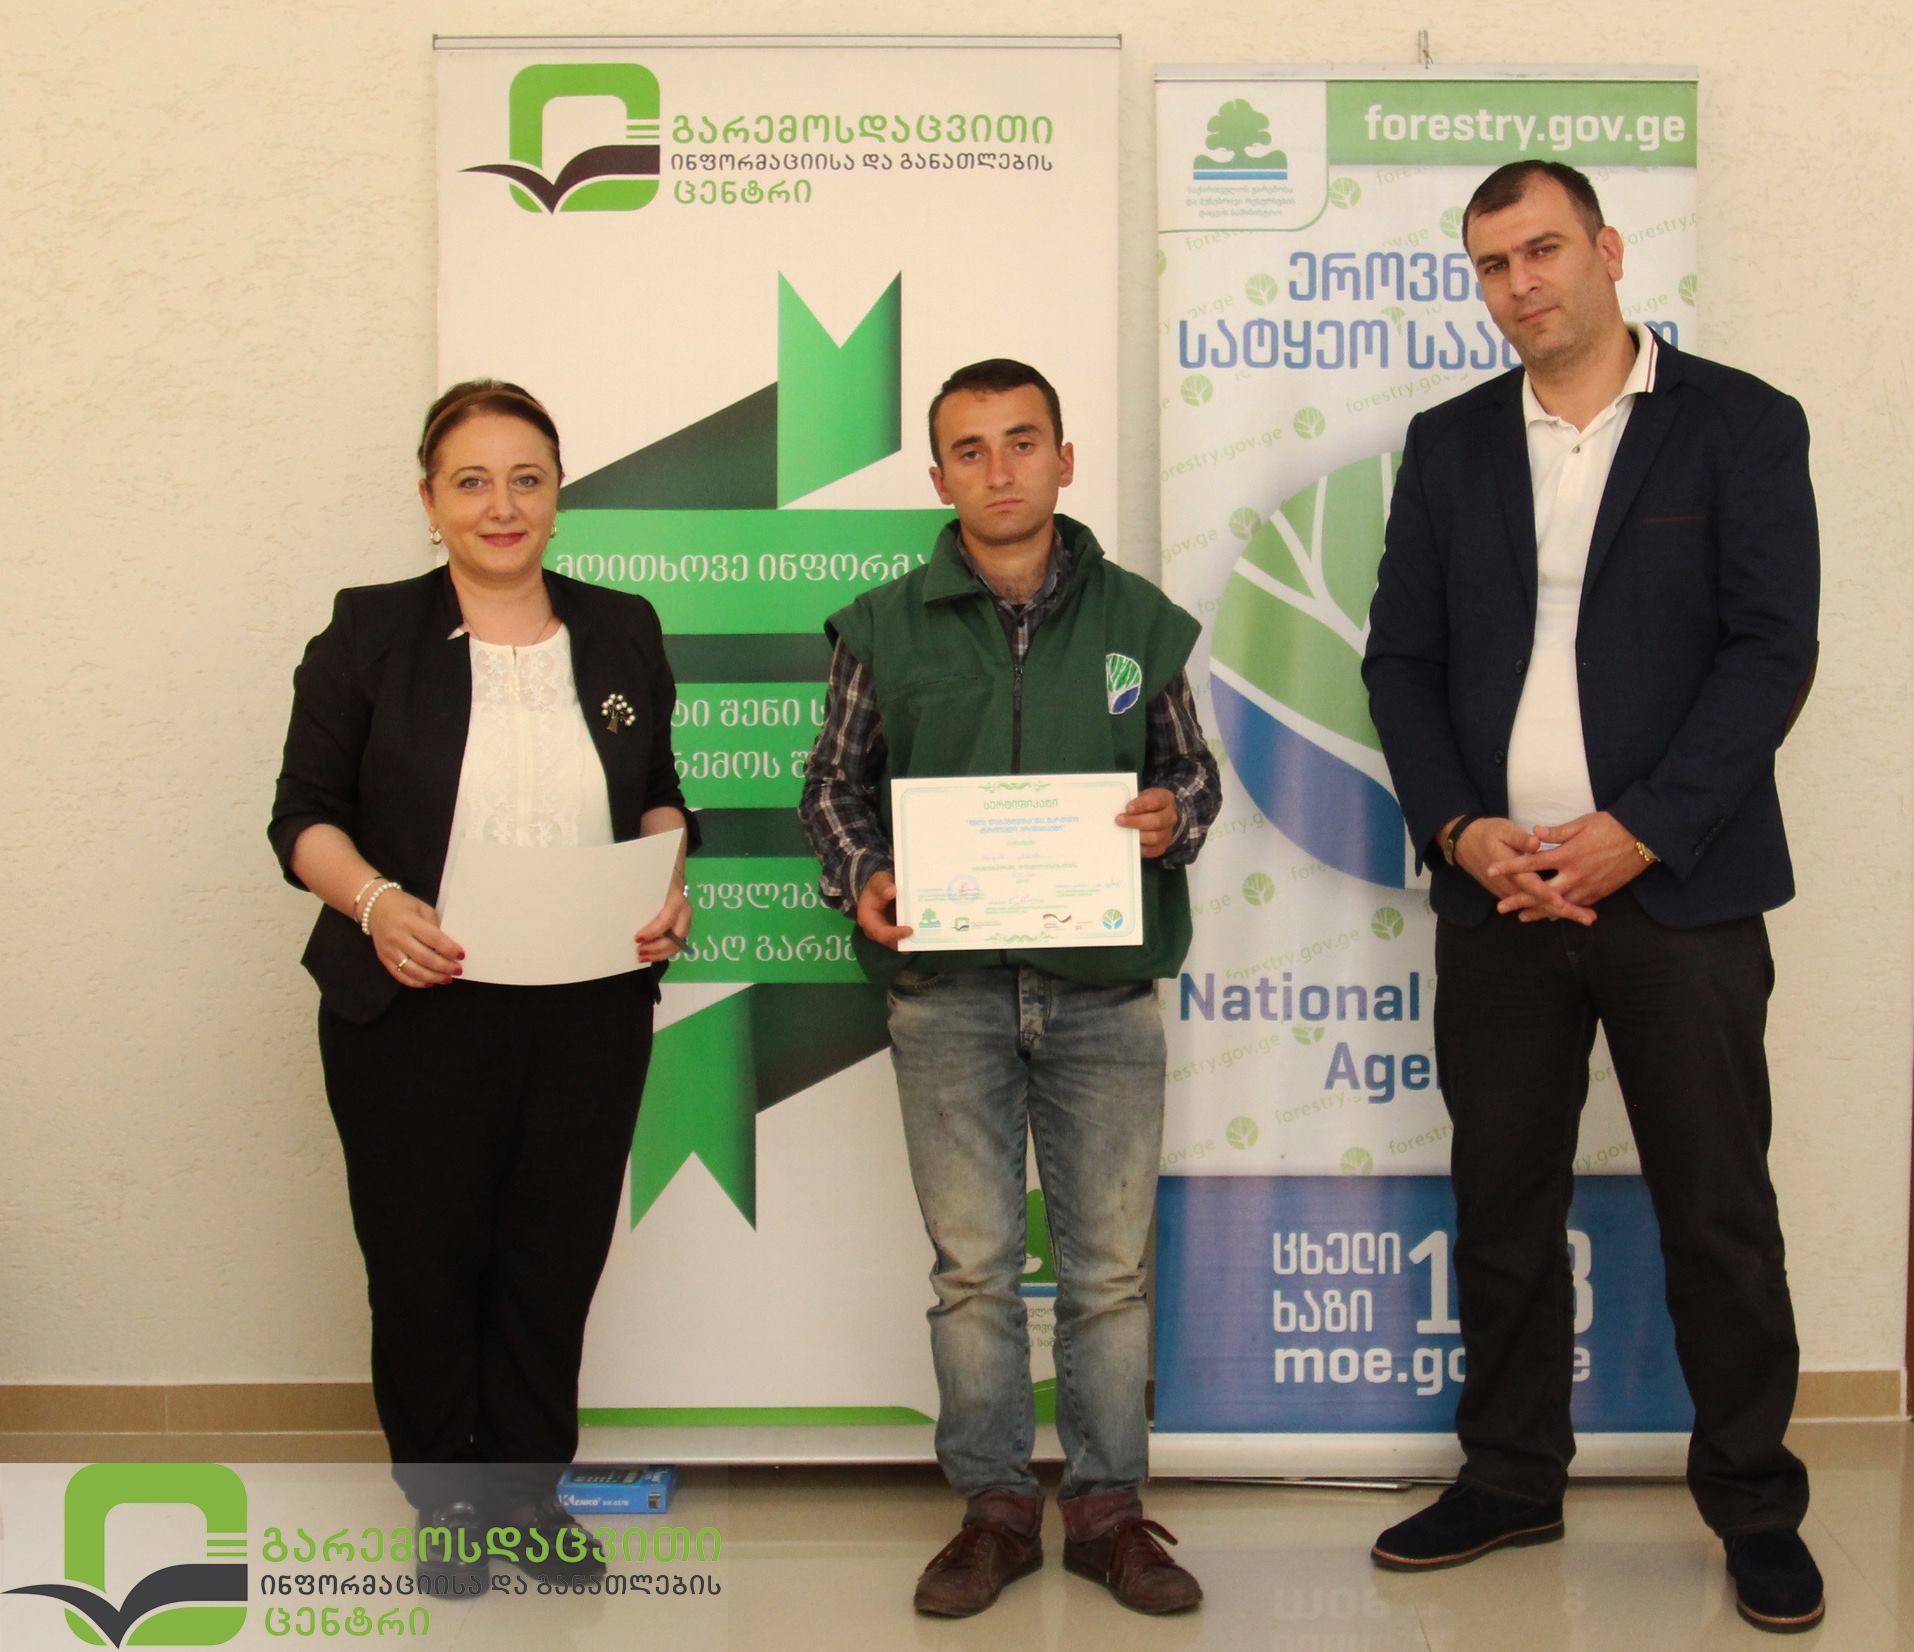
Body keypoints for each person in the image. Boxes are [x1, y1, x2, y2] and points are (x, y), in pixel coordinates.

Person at [1361, 162, 1822, 1633]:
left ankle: (1753, 1503)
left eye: (1544, 249)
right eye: (1492, 264)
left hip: (1679, 891)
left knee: (1717, 1210)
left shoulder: (1741, 424)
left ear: (1609, 250)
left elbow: (1771, 648)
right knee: (1502, 1202)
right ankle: (1510, 1476)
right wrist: (1458, 829)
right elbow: (1400, 662)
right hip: (1499, 896)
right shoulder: (1447, 445)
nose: (1521, 284)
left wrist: (1644, 830)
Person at [798, 359, 1221, 1617]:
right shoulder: (882, 625)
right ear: (940, 477)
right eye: (971, 449)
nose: (1000, 469)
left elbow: (1191, 775)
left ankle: (1107, 1512)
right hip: (947, 993)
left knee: (1109, 1271)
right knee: (975, 1269)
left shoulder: (1138, 620)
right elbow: (831, 786)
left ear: (1064, 459)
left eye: (1023, 441)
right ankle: (992, 1510)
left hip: (1105, 991)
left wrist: (1170, 816)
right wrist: (864, 873)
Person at [269, 380, 695, 1594]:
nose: (501, 504)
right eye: (471, 480)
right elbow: (302, 816)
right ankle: (444, 1497)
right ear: (429, 499)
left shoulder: (621, 628)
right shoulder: (368, 632)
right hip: (413, 1000)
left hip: (587, 1003)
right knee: (424, 1255)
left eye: (526, 478)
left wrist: (669, 878)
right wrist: (375, 903)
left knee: (552, 1256)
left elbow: (657, 791)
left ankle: (524, 1492)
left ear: (558, 496)